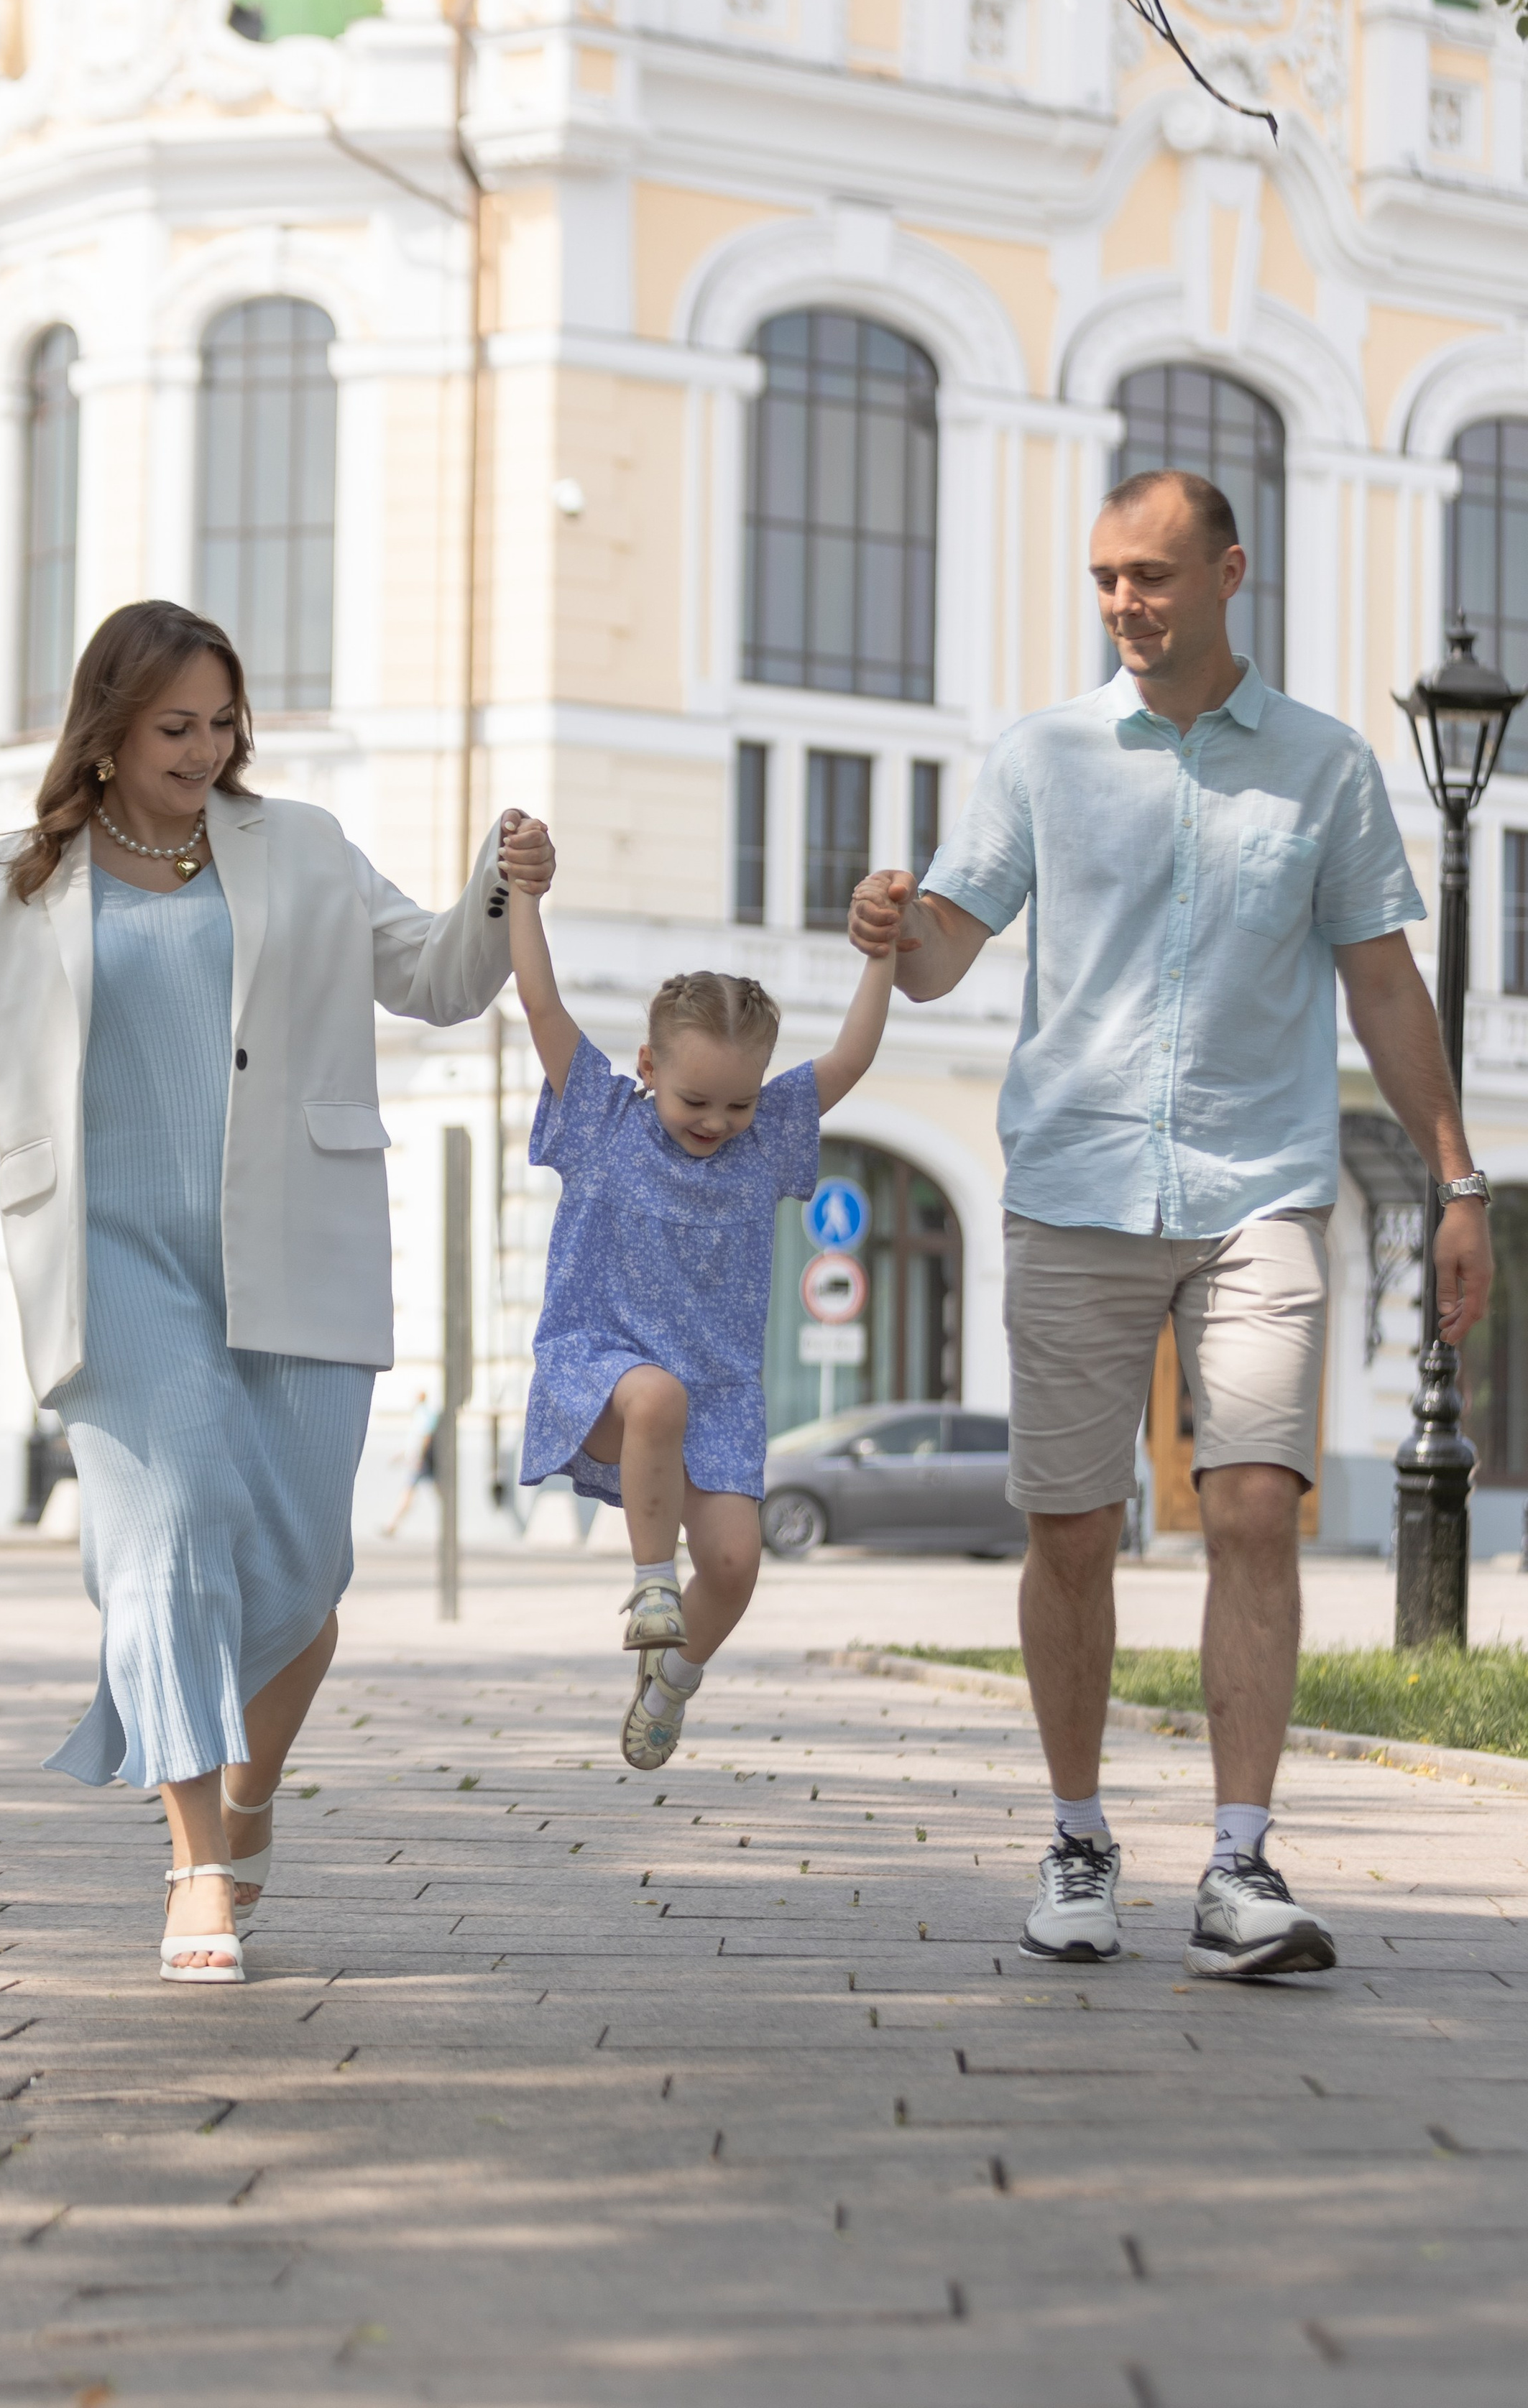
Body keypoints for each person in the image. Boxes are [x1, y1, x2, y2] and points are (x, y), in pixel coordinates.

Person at [0, 599, 552, 1986]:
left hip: (299, 1248)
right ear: (104, 732)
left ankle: (251, 1795)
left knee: (306, 1574)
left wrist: (503, 885)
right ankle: (198, 1862)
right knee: (165, 1542)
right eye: (174, 728)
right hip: (113, 1264)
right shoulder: (13, 886)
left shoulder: (308, 850)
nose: (205, 750)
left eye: (222, 724)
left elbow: (446, 980)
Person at [851, 469, 1493, 1980]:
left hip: (1253, 1181)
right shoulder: (1044, 759)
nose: (1123, 605)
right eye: (1100, 580)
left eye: (1147, 575)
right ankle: (1075, 1838)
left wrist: (1455, 1180)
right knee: (1069, 1526)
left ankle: (1237, 1862)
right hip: (1071, 1180)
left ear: (1225, 574)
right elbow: (949, 949)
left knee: (1253, 1506)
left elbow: (1384, 987)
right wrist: (899, 922)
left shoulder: (1324, 772)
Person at [507, 834, 898, 1766]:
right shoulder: (600, 1117)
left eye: (741, 1104)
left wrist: (881, 956)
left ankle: (672, 1681)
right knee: (655, 1396)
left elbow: (851, 1055)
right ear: (647, 1063)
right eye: (696, 1100)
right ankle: (650, 1583)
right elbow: (539, 1000)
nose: (718, 1124)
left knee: (732, 1564)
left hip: (720, 1394)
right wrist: (524, 890)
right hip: (598, 1368)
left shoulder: (765, 1146)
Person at [382, 1390, 438, 1539]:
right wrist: (400, 1456)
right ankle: (392, 1525)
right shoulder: (422, 1415)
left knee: (409, 1491)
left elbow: (425, 1437)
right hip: (420, 1460)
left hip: (422, 1461)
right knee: (413, 1491)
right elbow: (414, 1442)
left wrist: (419, 1457)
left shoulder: (423, 1415)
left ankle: (392, 1525)